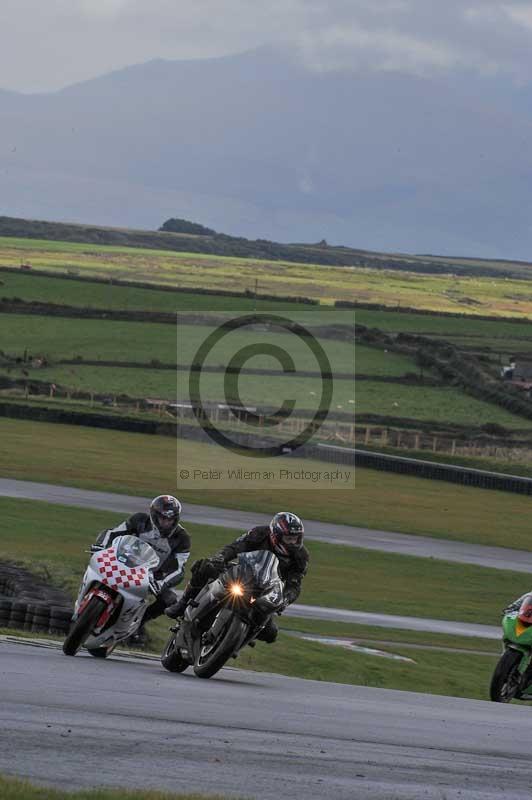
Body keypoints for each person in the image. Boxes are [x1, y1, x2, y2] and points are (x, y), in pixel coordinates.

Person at [166, 511, 308, 643]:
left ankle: (238, 641)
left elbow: (295, 584)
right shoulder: (260, 533)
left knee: (271, 633)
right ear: (275, 535)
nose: (293, 543)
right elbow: (236, 546)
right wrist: (221, 558)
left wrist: (285, 599)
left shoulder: (301, 556)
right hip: (241, 575)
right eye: (289, 539)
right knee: (204, 567)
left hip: (264, 592)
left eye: (296, 539)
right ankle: (183, 604)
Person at [95, 495, 190, 644]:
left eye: (170, 520)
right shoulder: (139, 520)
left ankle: (140, 622)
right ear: (154, 515)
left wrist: (161, 583)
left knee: (170, 599)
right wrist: (101, 546)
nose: (166, 523)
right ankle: (91, 596)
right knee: (99, 567)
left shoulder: (182, 538)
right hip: (124, 561)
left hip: (152, 576)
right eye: (163, 518)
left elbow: (179, 569)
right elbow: (113, 533)